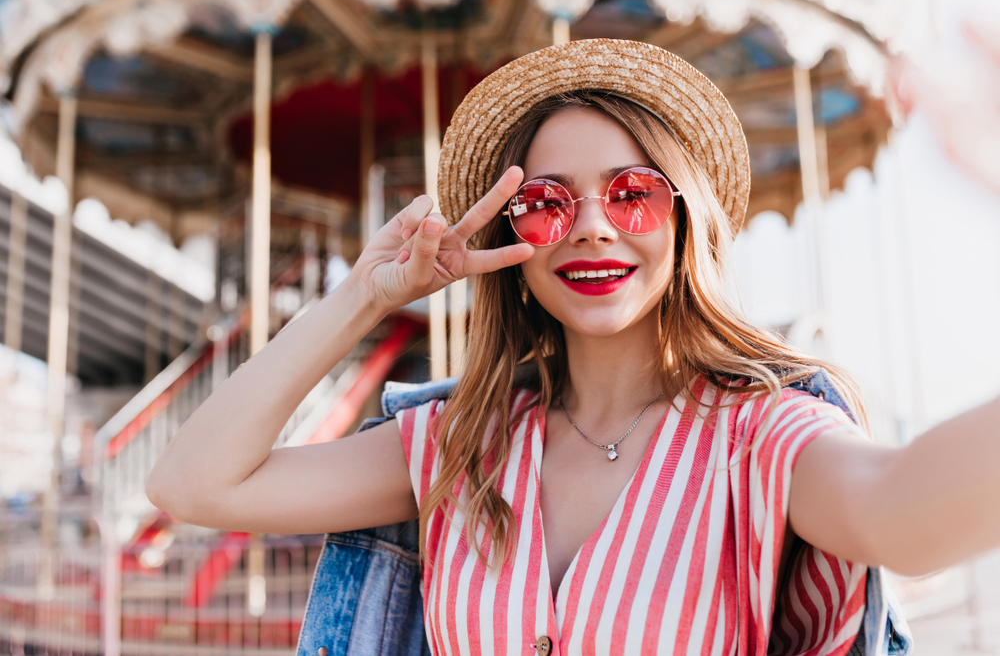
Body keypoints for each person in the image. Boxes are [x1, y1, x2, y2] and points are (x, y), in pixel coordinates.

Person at [146, 40, 1000, 656]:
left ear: (683, 218)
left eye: (631, 194)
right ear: (514, 241)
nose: (590, 228)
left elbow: (899, 511)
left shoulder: (758, 438)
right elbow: (191, 482)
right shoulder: (460, 446)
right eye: (548, 202)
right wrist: (364, 295)